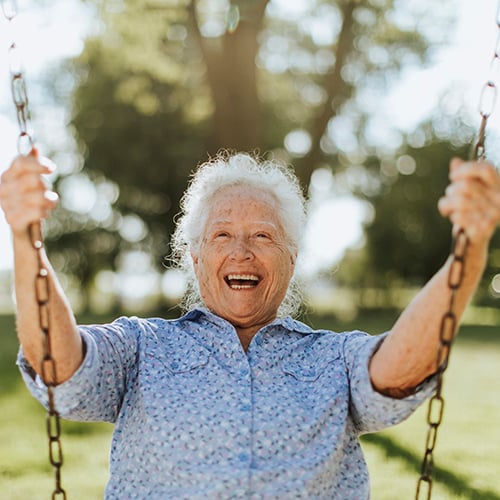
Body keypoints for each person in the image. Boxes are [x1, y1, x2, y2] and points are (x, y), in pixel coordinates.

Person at [0, 150, 499, 499]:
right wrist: (27, 239)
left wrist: (468, 251)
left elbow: (400, 367)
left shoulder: (333, 358)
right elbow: (60, 365)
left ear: (291, 256)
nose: (241, 251)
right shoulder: (142, 348)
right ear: (194, 259)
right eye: (221, 235)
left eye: (263, 234)